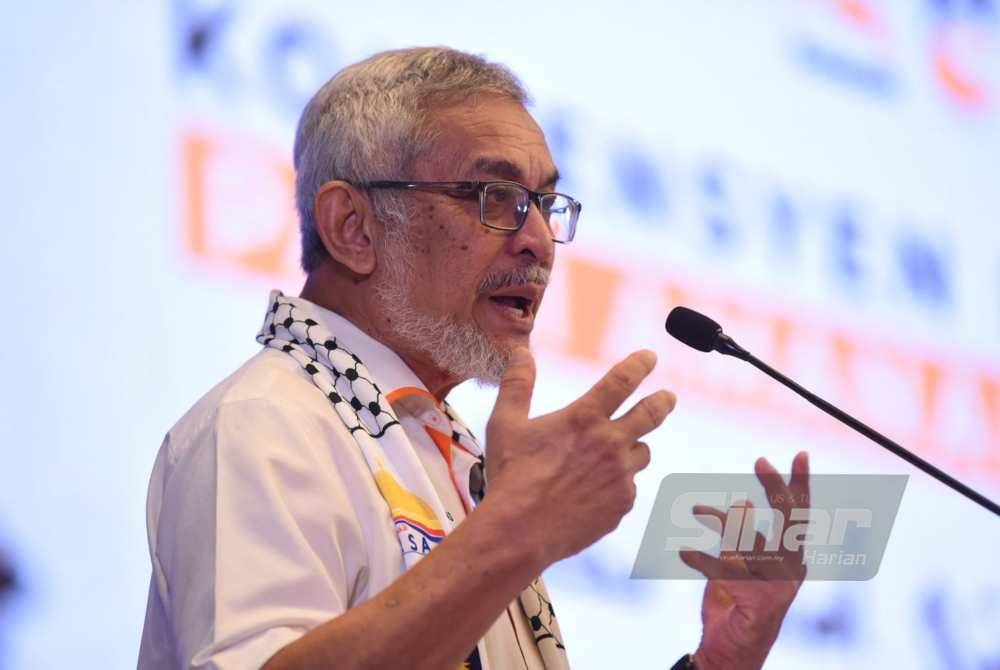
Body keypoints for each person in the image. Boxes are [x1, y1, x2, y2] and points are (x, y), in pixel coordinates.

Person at [138, 46, 810, 670]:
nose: (539, 241)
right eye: (494, 198)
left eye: (544, 203)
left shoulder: (446, 451)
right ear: (353, 227)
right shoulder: (269, 424)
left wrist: (718, 663)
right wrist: (517, 534)